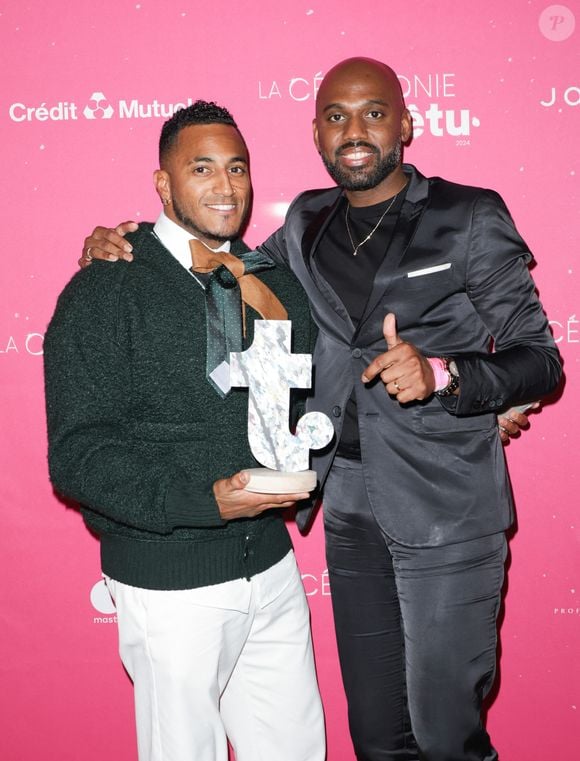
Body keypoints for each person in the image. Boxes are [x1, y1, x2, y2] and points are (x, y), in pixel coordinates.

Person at [80, 58, 562, 761]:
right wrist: (124, 245)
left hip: (448, 509)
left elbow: (539, 358)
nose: (355, 130)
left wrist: (447, 374)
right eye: (337, 116)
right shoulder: (305, 221)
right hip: (350, 505)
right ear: (316, 133)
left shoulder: (469, 215)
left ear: (406, 123)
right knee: (376, 735)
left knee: (444, 732)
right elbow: (221, 269)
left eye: (373, 113)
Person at [44, 101, 325, 761]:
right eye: (201, 169)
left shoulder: (273, 280)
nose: (225, 186)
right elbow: (79, 454)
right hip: (172, 583)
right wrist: (205, 501)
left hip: (272, 568)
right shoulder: (107, 289)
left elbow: (293, 400)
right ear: (164, 184)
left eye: (237, 168)